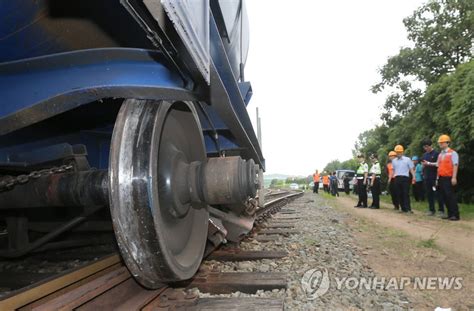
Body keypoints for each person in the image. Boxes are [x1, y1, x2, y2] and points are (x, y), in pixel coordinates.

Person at [437, 135, 460, 221]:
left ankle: (455, 214)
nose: (441, 144)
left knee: (451, 196)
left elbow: (455, 165)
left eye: (442, 143)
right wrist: (437, 178)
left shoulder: (453, 153)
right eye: (440, 143)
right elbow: (438, 166)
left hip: (449, 177)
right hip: (441, 177)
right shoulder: (440, 155)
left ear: (447, 143)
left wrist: (454, 177)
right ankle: (450, 214)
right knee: (444, 196)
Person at [421, 140, 445, 217]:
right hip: (427, 177)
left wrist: (428, 163)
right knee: (429, 194)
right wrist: (423, 168)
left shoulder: (437, 154)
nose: (426, 148)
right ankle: (431, 210)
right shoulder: (424, 155)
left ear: (431, 145)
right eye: (424, 147)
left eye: (427, 146)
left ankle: (441, 210)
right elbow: (423, 165)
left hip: (434, 177)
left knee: (437, 193)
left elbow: (439, 164)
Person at [392, 145, 416, 213]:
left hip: (405, 178)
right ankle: (403, 208)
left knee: (405, 193)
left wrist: (414, 177)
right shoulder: (394, 161)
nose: (398, 153)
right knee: (399, 193)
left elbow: (411, 169)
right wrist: (393, 178)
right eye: (397, 152)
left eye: (400, 152)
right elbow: (394, 170)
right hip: (397, 178)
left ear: (402, 152)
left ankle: (408, 208)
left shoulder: (407, 159)